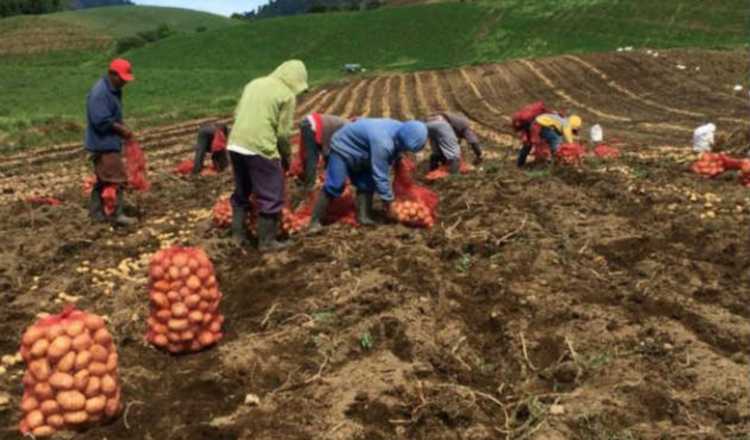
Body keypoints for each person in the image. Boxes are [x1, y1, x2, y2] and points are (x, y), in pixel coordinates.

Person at [227, 60, 308, 252]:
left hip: (236, 143)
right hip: (260, 147)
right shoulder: (286, 94)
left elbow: (236, 113)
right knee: (271, 195)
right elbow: (282, 134)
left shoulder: (254, 83)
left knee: (242, 191)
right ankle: (267, 242)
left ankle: (237, 236)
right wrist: (285, 157)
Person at [308, 118, 428, 232]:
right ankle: (314, 222)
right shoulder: (383, 142)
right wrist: (389, 202)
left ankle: (364, 216)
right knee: (335, 184)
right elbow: (380, 175)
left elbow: (394, 151)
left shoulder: (401, 130)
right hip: (342, 147)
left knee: (366, 183)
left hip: (363, 151)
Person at [84, 58, 137, 226]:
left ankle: (96, 214)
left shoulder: (113, 89)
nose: (124, 82)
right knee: (117, 178)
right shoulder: (100, 93)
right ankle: (116, 214)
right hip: (103, 143)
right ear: (112, 74)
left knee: (103, 180)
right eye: (121, 78)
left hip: (109, 142)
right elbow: (101, 121)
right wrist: (122, 130)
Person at [299, 113, 348, 192]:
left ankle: (309, 181)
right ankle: (310, 186)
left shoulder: (347, 126)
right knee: (312, 156)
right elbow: (332, 151)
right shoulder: (348, 129)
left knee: (312, 155)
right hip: (312, 124)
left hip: (310, 122)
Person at [517, 112, 582, 167]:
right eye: (573, 129)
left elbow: (561, 130)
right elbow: (567, 135)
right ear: (574, 125)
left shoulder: (561, 120)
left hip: (533, 124)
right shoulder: (566, 124)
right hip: (541, 126)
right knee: (556, 140)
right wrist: (572, 145)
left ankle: (520, 164)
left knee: (528, 144)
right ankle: (555, 161)